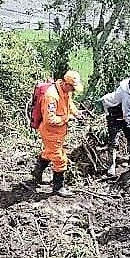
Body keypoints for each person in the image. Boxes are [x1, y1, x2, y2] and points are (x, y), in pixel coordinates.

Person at [32, 70, 83, 198]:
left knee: (49, 153)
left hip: (59, 133)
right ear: (66, 84)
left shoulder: (65, 92)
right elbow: (50, 120)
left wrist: (76, 113)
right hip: (50, 132)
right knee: (60, 159)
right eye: (72, 88)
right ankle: (58, 187)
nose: (73, 91)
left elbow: (69, 104)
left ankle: (36, 172)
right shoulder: (52, 96)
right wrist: (67, 118)